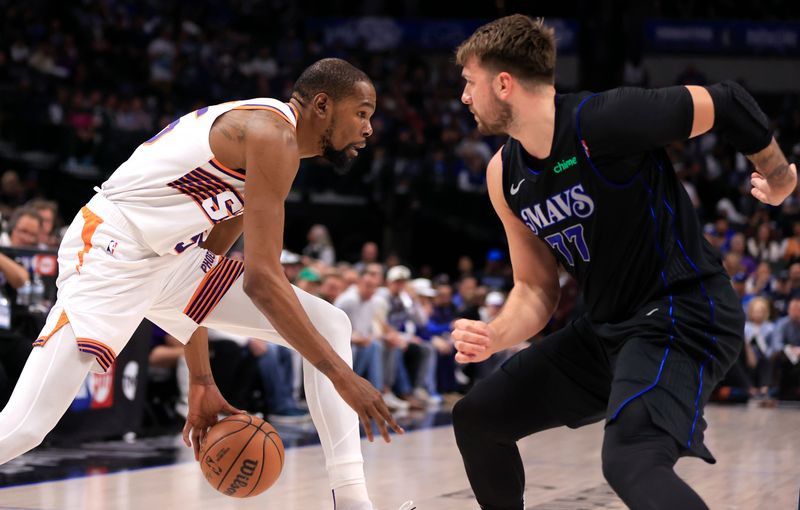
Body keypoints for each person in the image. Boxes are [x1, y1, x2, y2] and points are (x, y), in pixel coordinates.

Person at [0, 58, 406, 510]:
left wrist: (201, 378)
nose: (369, 129)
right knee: (26, 426)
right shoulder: (273, 136)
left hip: (167, 260)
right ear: (324, 105)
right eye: (363, 113)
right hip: (111, 252)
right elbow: (263, 282)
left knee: (331, 323)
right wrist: (343, 376)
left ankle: (352, 502)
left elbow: (204, 266)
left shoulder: (268, 145)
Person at [450, 15, 797, 510]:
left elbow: (726, 101)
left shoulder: (602, 121)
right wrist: (495, 335)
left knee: (631, 457)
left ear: (503, 84)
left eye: (469, 83)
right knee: (478, 418)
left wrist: (778, 174)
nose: (464, 97)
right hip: (606, 330)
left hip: (683, 314)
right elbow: (534, 289)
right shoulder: (502, 174)